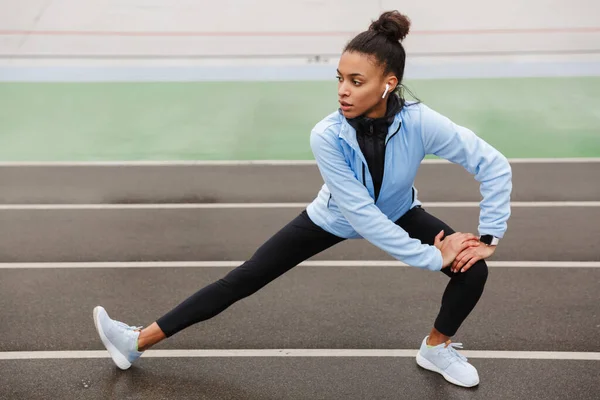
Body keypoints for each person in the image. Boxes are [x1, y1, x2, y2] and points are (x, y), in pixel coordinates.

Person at [93, 10, 512, 388]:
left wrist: (487, 239)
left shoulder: (421, 122)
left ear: (389, 84)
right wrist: (432, 257)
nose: (343, 91)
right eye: (340, 79)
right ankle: (135, 341)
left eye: (356, 81)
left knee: (472, 270)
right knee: (243, 279)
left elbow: (493, 164)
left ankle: (435, 348)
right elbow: (361, 215)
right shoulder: (327, 135)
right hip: (333, 217)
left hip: (399, 211)